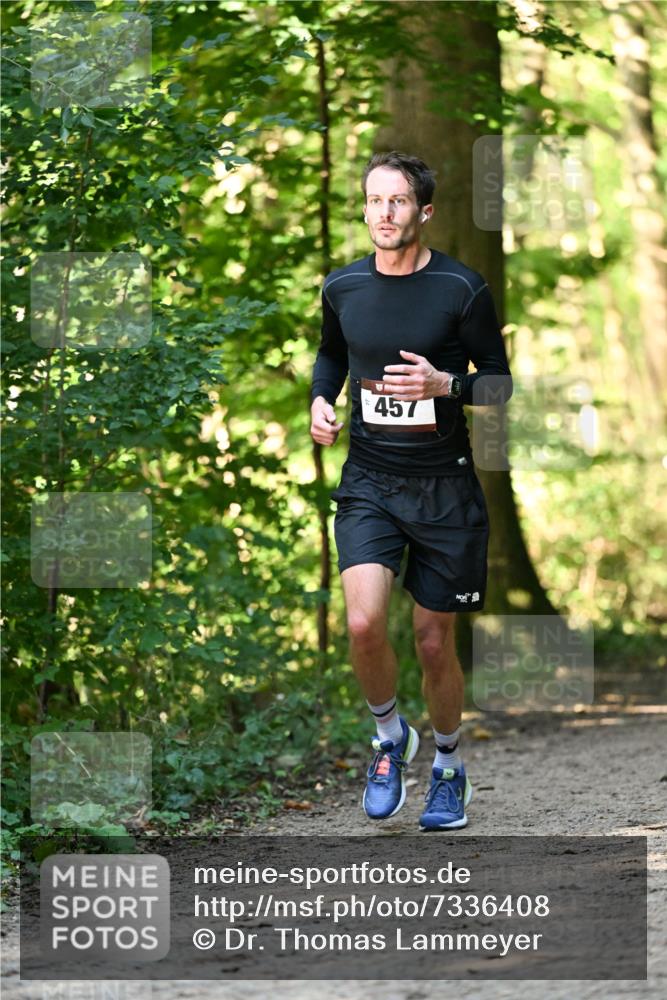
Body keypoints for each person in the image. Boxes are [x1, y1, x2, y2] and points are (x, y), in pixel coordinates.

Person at [310, 151, 512, 830]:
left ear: (423, 211)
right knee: (364, 623)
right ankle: (388, 737)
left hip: (444, 488)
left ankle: (449, 764)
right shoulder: (342, 287)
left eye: (397, 202)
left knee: (432, 642)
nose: (384, 213)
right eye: (373, 200)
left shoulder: (461, 288)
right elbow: (332, 354)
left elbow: (500, 383)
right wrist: (320, 400)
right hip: (369, 478)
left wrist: (444, 385)